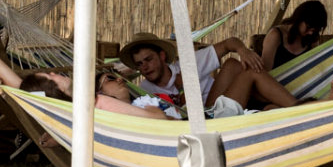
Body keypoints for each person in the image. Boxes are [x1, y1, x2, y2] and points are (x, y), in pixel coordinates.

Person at [0, 28, 166, 119]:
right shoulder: (96, 103)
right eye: (51, 77)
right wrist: (155, 111)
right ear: (55, 91)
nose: (54, 72)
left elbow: (21, 88)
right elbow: (160, 121)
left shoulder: (63, 110)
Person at [118, 31, 302, 114]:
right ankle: (302, 108)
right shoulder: (144, 90)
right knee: (250, 74)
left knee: (232, 63)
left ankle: (278, 105)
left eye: (148, 60)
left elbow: (230, 43)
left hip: (226, 103)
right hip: (208, 116)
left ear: (162, 56)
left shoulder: (188, 65)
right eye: (139, 64)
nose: (145, 68)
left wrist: (243, 51)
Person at [260, 0, 329, 69]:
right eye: (308, 27)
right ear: (299, 19)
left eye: (314, 31)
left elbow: (315, 66)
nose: (310, 33)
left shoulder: (311, 39)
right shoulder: (275, 35)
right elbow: (265, 71)